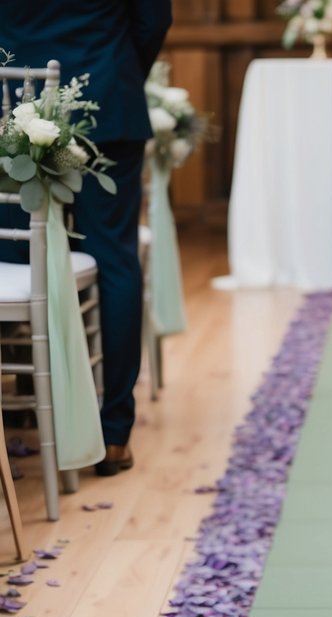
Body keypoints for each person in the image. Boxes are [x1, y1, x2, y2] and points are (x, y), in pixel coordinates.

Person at [0, 0, 173, 476]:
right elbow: (153, 19)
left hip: (12, 100)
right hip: (107, 96)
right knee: (114, 259)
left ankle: (25, 408)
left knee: (13, 246)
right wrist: (112, 68)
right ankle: (114, 433)